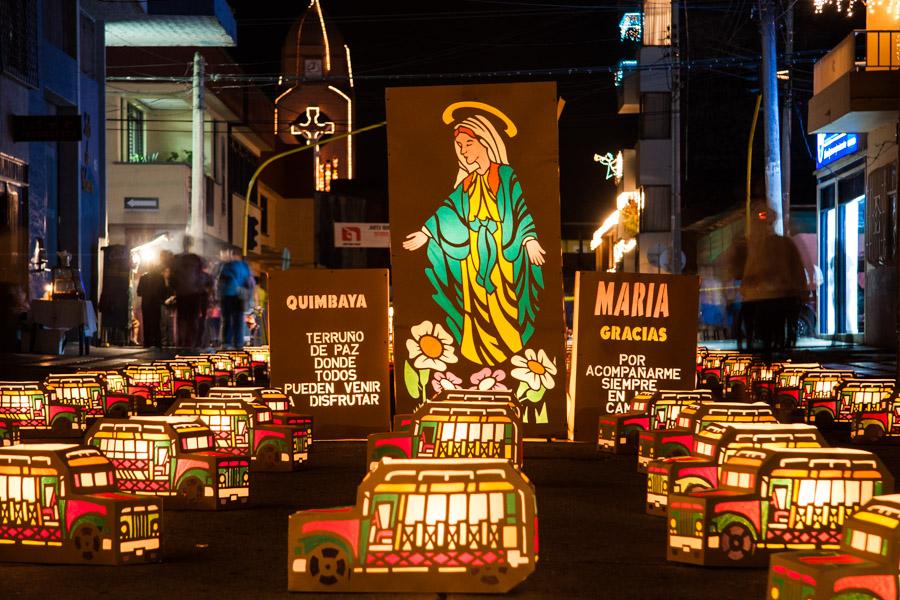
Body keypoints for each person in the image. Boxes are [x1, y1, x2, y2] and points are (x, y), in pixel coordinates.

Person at [402, 112, 545, 367]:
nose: (464, 150)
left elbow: (519, 208)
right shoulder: (467, 183)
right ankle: (477, 349)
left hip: (502, 258)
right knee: (476, 310)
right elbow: (449, 210)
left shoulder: (505, 175)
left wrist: (529, 239)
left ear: (485, 141)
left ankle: (508, 345)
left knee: (504, 305)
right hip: (473, 261)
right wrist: (426, 232)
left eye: (469, 143)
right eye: (459, 146)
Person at [171, 236, 206, 349]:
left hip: (181, 294)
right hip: (194, 294)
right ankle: (191, 343)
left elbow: (172, 278)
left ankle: (181, 342)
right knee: (193, 319)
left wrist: (175, 289)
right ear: (191, 244)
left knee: (182, 319)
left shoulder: (176, 259)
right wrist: (200, 289)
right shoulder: (196, 259)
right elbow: (201, 277)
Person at [218, 249, 254, 349]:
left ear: (232, 255)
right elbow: (250, 282)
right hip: (239, 297)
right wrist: (249, 297)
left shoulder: (226, 266)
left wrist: (219, 296)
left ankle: (227, 343)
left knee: (227, 320)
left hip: (227, 296)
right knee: (238, 320)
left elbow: (221, 281)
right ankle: (238, 343)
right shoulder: (245, 266)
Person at [136, 262, 169, 348]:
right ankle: (157, 342)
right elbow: (164, 291)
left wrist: (146, 293)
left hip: (146, 303)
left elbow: (139, 292)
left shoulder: (143, 277)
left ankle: (147, 342)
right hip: (156, 303)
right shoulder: (160, 277)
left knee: (146, 322)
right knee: (156, 322)